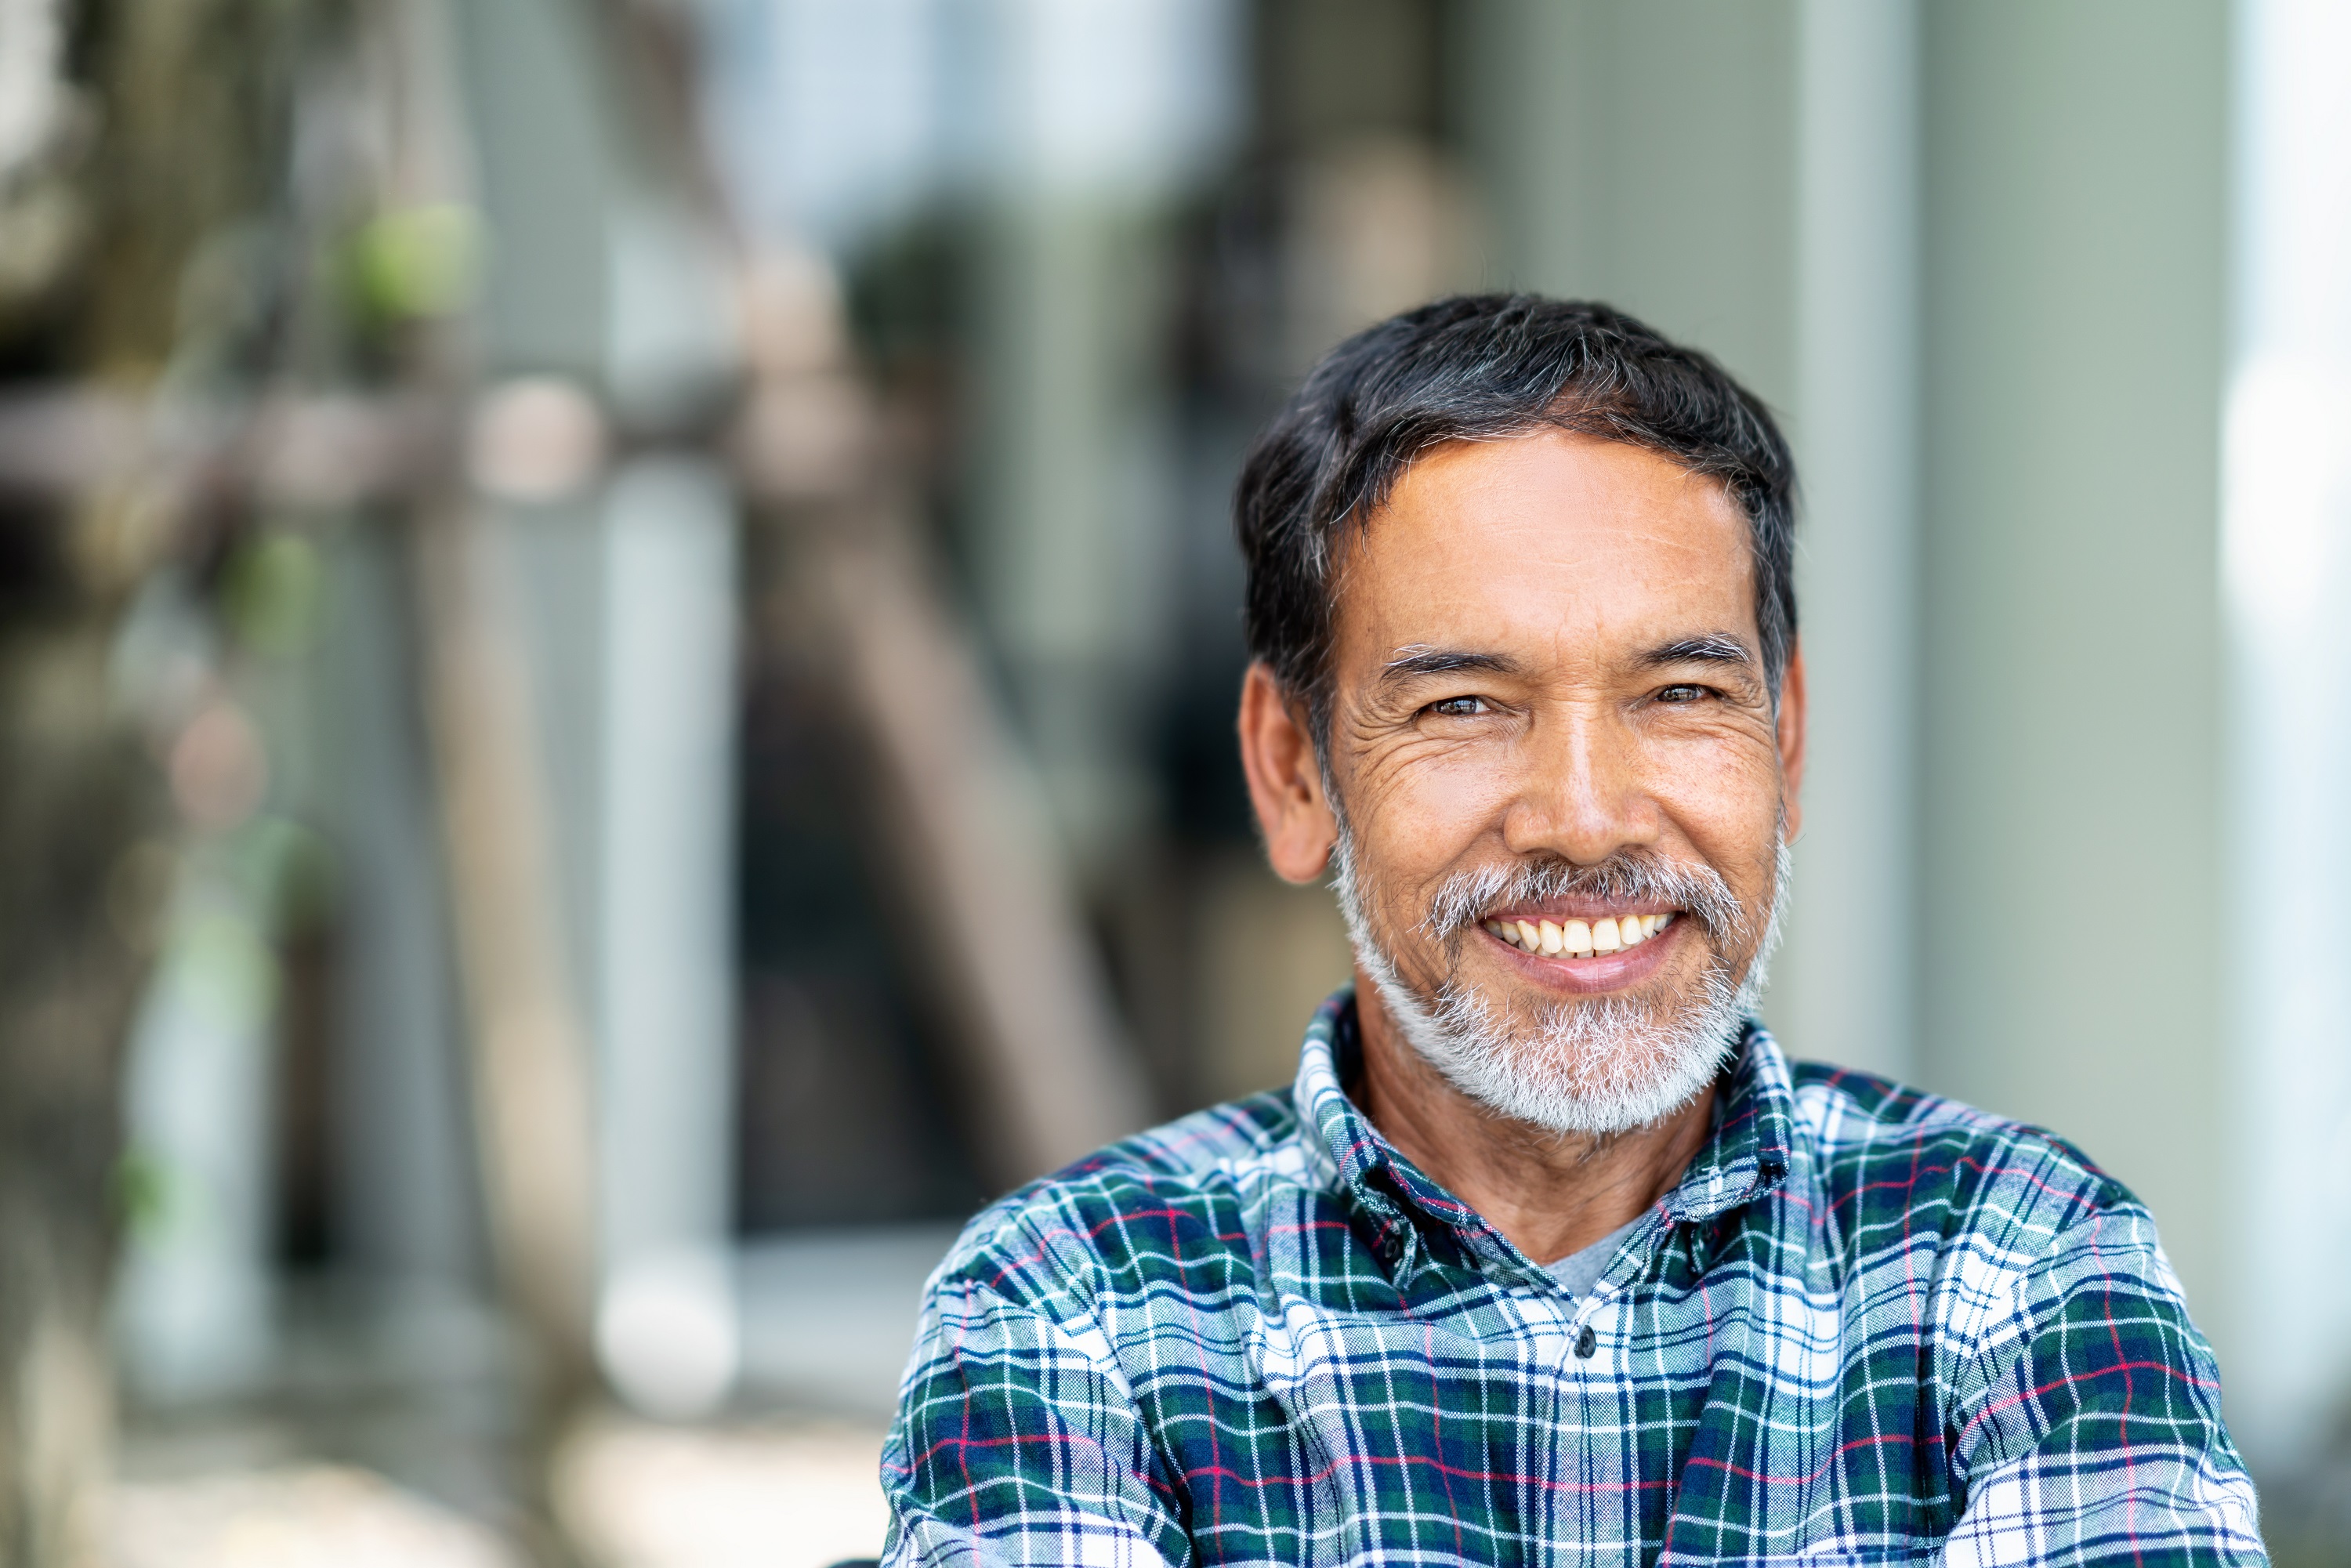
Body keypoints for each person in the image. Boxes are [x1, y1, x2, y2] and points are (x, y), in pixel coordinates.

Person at [879, 296, 2265, 1565]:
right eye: (1466, 707)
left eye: (1678, 693)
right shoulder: (1077, 1310)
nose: (1589, 820)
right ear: (1296, 773)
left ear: (1785, 741)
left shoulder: (2016, 1260)